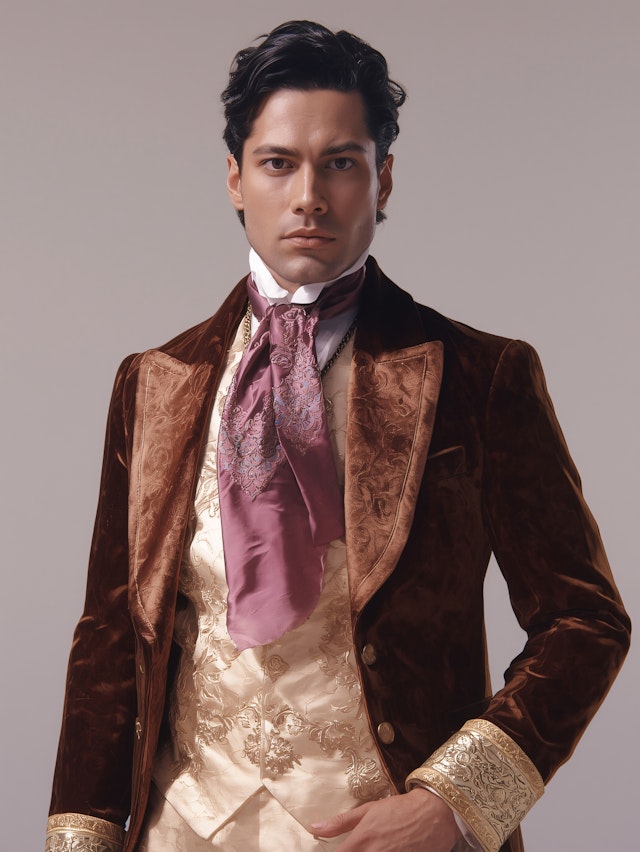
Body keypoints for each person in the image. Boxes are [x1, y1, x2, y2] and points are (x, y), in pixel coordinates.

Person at [46, 20, 630, 852]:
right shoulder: (156, 383)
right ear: (235, 178)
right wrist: (82, 838)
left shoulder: (481, 376)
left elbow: (584, 621)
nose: (309, 196)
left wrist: (454, 802)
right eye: (278, 163)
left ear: (383, 178)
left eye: (341, 163)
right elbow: (109, 642)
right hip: (183, 832)